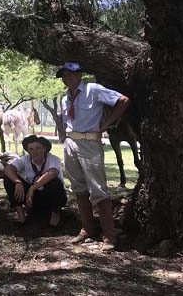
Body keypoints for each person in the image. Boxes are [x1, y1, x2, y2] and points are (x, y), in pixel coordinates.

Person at [57, 62, 129, 251]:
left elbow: (123, 100)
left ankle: (109, 235)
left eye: (71, 74)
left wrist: (106, 125)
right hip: (71, 143)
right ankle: (87, 228)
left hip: (90, 142)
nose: (67, 78)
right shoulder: (65, 98)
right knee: (78, 188)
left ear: (80, 74)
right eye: (64, 75)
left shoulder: (93, 89)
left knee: (98, 188)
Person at [3, 135, 67, 227]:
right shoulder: (25, 159)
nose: (35, 152)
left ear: (44, 148)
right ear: (28, 150)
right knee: (9, 179)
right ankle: (21, 216)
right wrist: (18, 182)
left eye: (38, 148)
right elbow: (8, 169)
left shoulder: (53, 159)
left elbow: (52, 173)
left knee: (54, 181)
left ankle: (55, 217)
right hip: (32, 197)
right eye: (31, 149)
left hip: (53, 197)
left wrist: (32, 188)